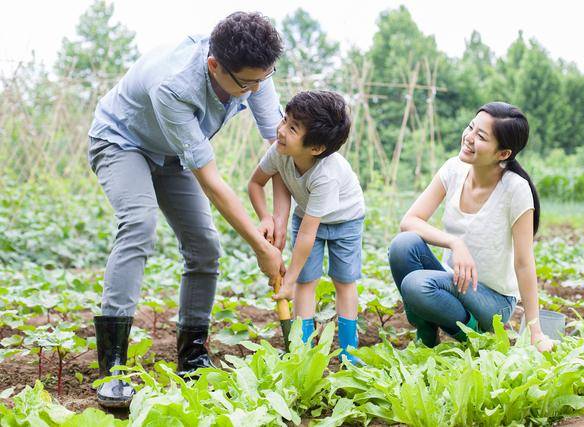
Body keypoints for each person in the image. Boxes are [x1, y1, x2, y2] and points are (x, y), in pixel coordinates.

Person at [87, 12, 291, 408]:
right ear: (215, 65)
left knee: (205, 247)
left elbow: (278, 145)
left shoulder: (255, 74)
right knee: (139, 224)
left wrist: (275, 218)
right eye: (246, 83)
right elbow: (211, 181)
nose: (254, 92)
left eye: (261, 80)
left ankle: (193, 357)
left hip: (171, 153)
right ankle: (113, 370)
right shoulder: (175, 84)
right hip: (121, 140)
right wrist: (259, 247)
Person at [388, 102, 554, 352]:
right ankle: (427, 338)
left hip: (492, 300)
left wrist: (536, 330)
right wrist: (455, 242)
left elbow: (524, 262)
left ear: (503, 153)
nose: (469, 138)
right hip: (453, 279)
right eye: (471, 127)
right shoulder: (453, 169)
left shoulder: (515, 189)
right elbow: (409, 221)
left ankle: (474, 336)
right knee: (403, 245)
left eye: (481, 136)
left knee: (416, 285)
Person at [248, 91, 365, 364]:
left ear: (316, 148)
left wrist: (286, 281)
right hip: (307, 216)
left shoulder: (327, 175)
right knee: (306, 281)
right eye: (284, 120)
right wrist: (266, 217)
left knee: (344, 281)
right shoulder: (280, 152)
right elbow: (255, 184)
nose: (280, 130)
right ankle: (303, 350)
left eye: (292, 128)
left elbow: (308, 234)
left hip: (345, 220)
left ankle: (350, 352)